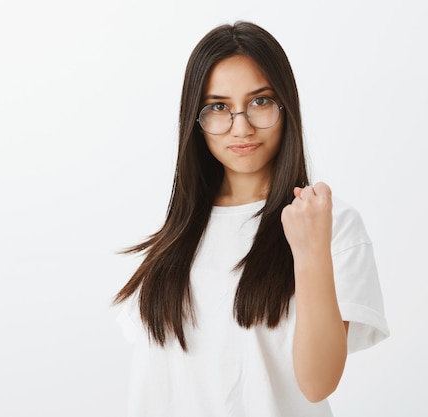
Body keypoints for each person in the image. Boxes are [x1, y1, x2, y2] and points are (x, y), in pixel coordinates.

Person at [113, 21, 389, 417]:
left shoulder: (328, 222)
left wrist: (310, 252)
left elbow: (317, 384)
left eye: (260, 101)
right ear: (195, 118)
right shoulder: (175, 235)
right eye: (218, 107)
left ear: (285, 105)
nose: (240, 126)